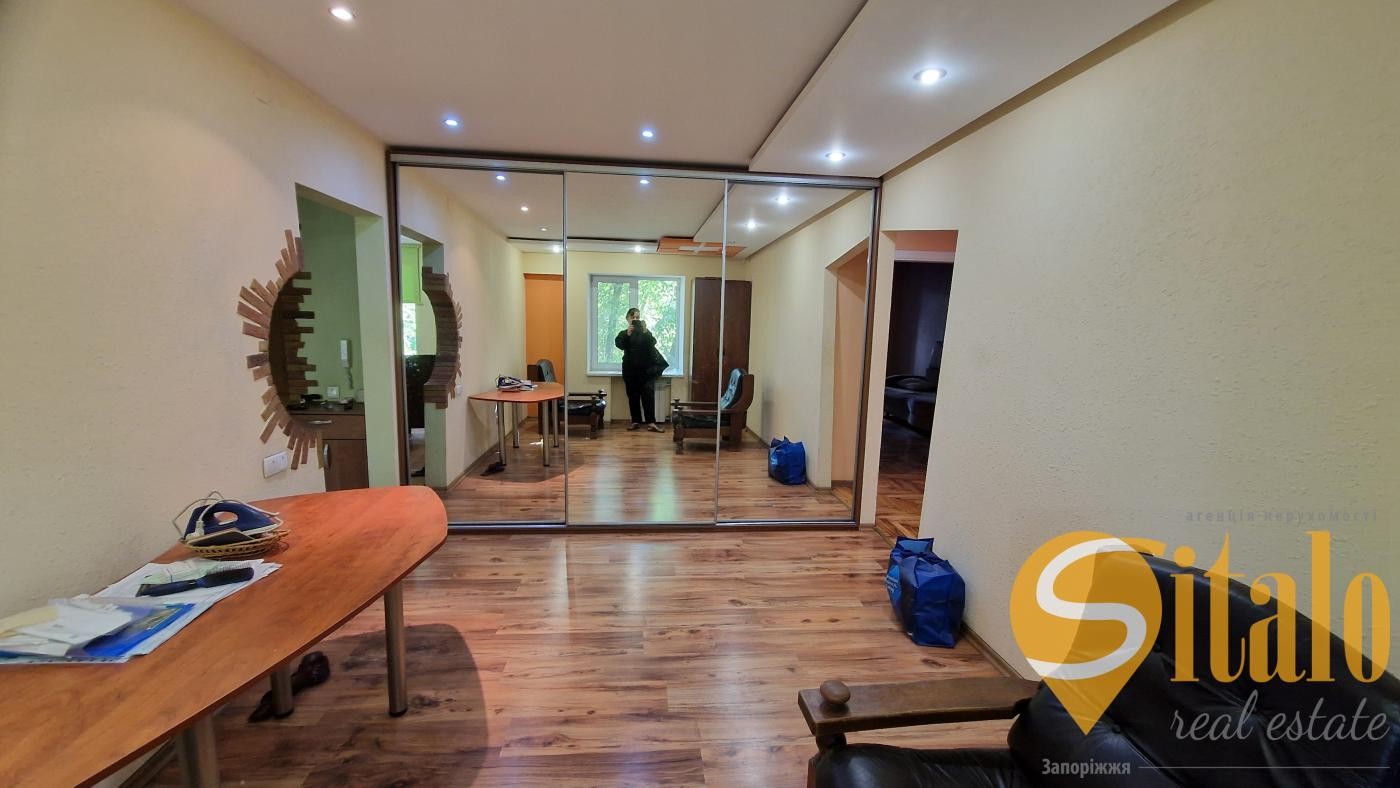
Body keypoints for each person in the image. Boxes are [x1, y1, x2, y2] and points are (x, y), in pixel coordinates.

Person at [615, 308, 664, 432]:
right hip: (630, 371)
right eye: (633, 317)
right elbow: (619, 345)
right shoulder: (623, 333)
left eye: (637, 317)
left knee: (648, 397)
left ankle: (651, 423)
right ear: (628, 318)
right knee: (633, 397)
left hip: (646, 371)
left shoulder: (645, 332)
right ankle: (635, 421)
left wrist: (645, 331)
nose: (635, 319)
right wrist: (628, 334)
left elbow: (653, 342)